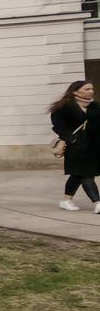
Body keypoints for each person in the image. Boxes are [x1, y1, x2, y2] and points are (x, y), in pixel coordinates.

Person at [51, 80, 100, 212]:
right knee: (86, 174)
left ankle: (66, 200)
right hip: (75, 147)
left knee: (77, 175)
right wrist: (71, 139)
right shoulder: (64, 108)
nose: (91, 91)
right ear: (75, 91)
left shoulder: (95, 107)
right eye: (87, 89)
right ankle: (97, 203)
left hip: (93, 147)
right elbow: (58, 126)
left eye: (91, 89)